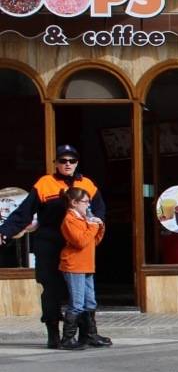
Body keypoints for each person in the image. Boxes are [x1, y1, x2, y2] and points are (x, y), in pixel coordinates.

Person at [0, 144, 106, 349]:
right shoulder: (44, 183)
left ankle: (88, 334)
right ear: (55, 163)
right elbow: (24, 213)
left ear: (77, 163)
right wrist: (5, 231)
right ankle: (54, 335)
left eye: (71, 160)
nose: (67, 164)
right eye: (63, 160)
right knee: (51, 290)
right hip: (49, 244)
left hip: (77, 244)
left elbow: (99, 211)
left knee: (83, 291)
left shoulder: (88, 184)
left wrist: (93, 231)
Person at [58, 187, 108, 350]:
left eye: (88, 202)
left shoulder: (84, 219)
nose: (88, 205)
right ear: (74, 203)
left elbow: (92, 242)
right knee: (77, 303)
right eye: (85, 202)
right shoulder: (70, 219)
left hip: (87, 264)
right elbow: (79, 242)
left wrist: (99, 227)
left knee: (90, 301)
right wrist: (92, 227)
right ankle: (67, 339)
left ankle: (88, 335)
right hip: (74, 265)